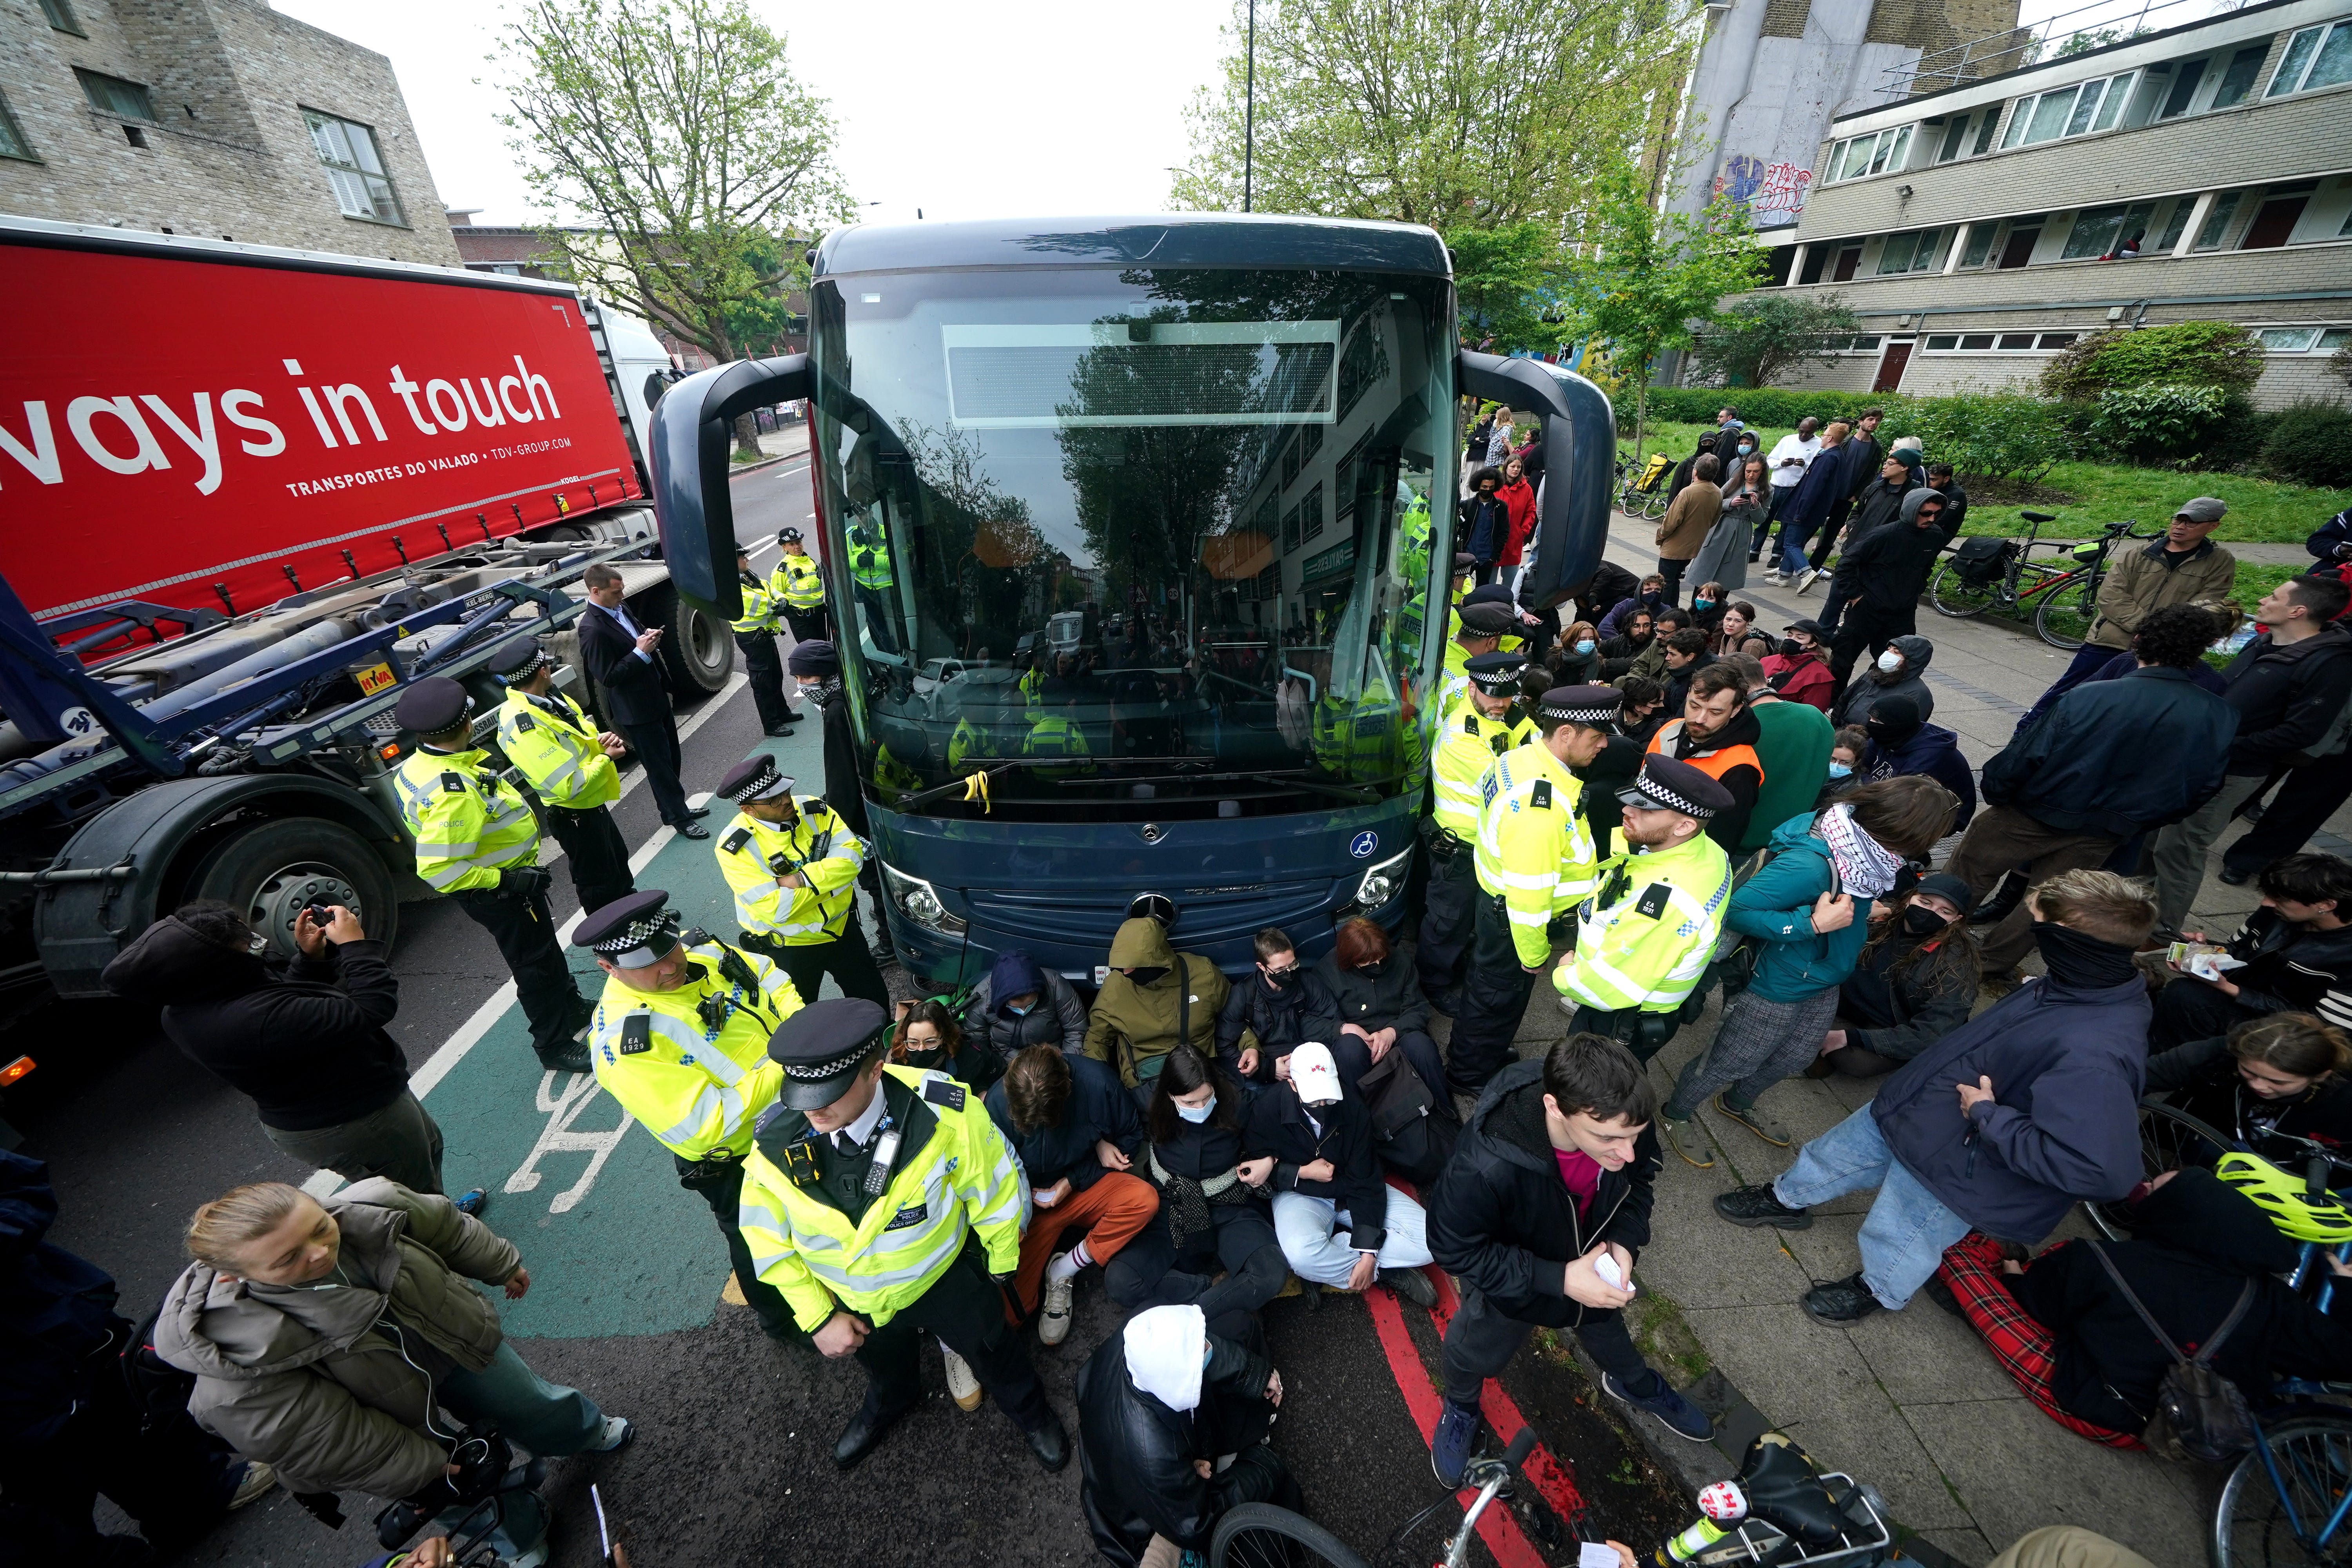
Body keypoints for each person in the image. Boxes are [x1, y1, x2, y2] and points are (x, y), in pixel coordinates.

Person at [1714, 869, 2156, 1324]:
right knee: (1837, 1153)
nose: (2032, 934)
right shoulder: (2073, 984)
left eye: (2040, 925)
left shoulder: (2096, 1050)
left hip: (1961, 1159)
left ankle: (1879, 1289)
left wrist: (1991, 1118)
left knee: (1908, 1229)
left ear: (2071, 940)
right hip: (1917, 1106)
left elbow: (2102, 1170)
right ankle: (1787, 1199)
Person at [155, 1180, 632, 1566]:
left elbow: (445, 1226)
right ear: (230, 1276)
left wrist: (498, 1262)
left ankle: (581, 1432)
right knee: (451, 1482)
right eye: (288, 1260)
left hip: (447, 1340)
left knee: (526, 1400)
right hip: (378, 1408)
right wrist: (419, 1466)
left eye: (320, 1227)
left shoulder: (366, 1206)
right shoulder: (235, 1351)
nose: (320, 1253)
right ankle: (519, 1533)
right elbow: (327, 1434)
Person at [736, 997, 1066, 1469]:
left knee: (996, 1352)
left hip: (946, 1280)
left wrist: (999, 1265)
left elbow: (994, 1188)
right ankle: (891, 1400)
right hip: (857, 1298)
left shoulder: (945, 1114)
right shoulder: (772, 1144)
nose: (813, 1110)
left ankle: (1032, 1413)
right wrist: (817, 1318)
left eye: (829, 1092)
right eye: (803, 1093)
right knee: (883, 1365)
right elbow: (765, 1238)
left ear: (876, 1070)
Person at [1428, 1034, 1712, 1488]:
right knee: (1473, 1348)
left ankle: (1634, 1383)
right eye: (1610, 1140)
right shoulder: (1485, 1167)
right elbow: (1453, 1247)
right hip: (1516, 1289)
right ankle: (1461, 1405)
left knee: (1615, 1343)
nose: (1627, 1153)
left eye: (1634, 1137)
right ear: (1554, 1107)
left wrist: (1623, 1239)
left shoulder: (1623, 1117)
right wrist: (1557, 1277)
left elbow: (1641, 1181)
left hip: (1592, 1271)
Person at [1938, 1167, 2352, 1450]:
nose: (2145, 1187)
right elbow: (2339, 1356)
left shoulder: (2103, 1261)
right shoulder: (2272, 1299)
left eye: (2153, 1189)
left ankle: (1995, 1254)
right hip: (2181, 1426)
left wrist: (2012, 1274)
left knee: (1957, 1255)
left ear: (2171, 1215)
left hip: (2099, 1409)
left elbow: (2029, 1305)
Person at [0, 1150, 275, 1566]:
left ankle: (194, 1504)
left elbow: (20, 1181)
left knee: (136, 1418)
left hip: (60, 1324)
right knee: (41, 1508)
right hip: (11, 1403)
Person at [1659, 776, 1956, 1161]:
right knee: (1730, 1060)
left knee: (1796, 1057)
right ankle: (1675, 1114)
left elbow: (1841, 903)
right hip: (1778, 983)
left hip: (1820, 977)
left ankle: (1736, 1102)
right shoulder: (1813, 863)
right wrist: (1811, 926)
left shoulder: (1863, 853)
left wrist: (1858, 916)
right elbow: (1737, 908)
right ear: (1906, 832)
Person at [102, 900, 472, 1205]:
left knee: (426, 1153)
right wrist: (354, 946)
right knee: (410, 1200)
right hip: (356, 1121)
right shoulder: (246, 1020)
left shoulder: (191, 1006)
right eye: (245, 946)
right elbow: (371, 1007)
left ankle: (445, 1224)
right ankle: (447, 1260)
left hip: (352, 1105)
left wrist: (310, 960)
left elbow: (289, 1010)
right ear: (209, 969)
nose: (255, 945)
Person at [1948, 612, 2236, 980]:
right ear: (2199, 651)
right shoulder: (2219, 713)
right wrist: (2140, 821)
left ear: (2137, 643)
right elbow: (2204, 786)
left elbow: (2028, 755)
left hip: (2030, 812)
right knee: (2048, 901)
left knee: (1970, 870)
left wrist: (1999, 791)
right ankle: (1991, 964)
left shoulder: (2093, 694)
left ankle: (1933, 933)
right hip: (2105, 829)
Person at [572, 890, 802, 1341]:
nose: (670, 966)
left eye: (668, 947)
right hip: (739, 1158)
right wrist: (793, 1061)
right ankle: (782, 1323)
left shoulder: (701, 949)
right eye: (648, 964)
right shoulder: (627, 1043)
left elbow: (768, 975)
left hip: (798, 1110)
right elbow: (705, 1125)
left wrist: (800, 1027)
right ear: (608, 968)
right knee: (758, 1241)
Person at [390, 677, 592, 1073]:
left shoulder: (416, 766)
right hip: (502, 891)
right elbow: (439, 867)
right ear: (468, 723)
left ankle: (570, 1005)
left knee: (543, 949)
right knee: (533, 963)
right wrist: (505, 881)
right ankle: (554, 1044)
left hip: (505, 884)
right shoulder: (454, 792)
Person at [2150, 576, 2352, 938]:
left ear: (2298, 611)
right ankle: (2131, 907)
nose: (2263, 599)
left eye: (2274, 596)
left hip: (2234, 770)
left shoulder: (2329, 664)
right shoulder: (2268, 641)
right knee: (2154, 836)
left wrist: (2225, 744)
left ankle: (2162, 929)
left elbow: (2301, 732)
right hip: (2201, 758)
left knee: (2180, 847)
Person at [1450, 686, 1620, 1094]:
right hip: (1514, 922)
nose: (1603, 745)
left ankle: (1483, 1054)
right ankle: (1469, 1075)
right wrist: (1533, 954)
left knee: (1490, 992)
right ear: (1565, 733)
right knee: (1496, 997)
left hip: (1497, 907)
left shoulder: (1521, 757)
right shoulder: (1538, 809)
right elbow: (1528, 895)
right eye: (1596, 737)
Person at [1075, 1304, 1299, 1568]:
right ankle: (1247, 1451)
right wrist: (1262, 1467)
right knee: (1270, 1533)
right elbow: (1198, 1524)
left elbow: (1193, 1344)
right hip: (1154, 1514)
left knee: (1238, 1327)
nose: (1207, 1348)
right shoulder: (1154, 1456)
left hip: (1152, 1457)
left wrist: (1254, 1375)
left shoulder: (1143, 1339)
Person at [1552, 756, 1736, 1060]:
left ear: (1685, 825)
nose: (1627, 809)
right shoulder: (1708, 850)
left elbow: (1608, 986)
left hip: (1618, 1019)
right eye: (1633, 799)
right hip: (1637, 1006)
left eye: (1645, 808)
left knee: (1584, 1091)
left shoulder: (1668, 905)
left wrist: (1565, 975)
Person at [986, 1044, 1159, 1347]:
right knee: (1009, 1316)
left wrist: (1073, 1179)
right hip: (1030, 1206)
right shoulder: (999, 1100)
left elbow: (1132, 1136)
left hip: (1081, 1188)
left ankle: (1063, 1269)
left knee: (1143, 1200)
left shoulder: (1099, 1084)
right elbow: (992, 1170)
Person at [2017, 499, 2239, 730]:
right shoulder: (2140, 552)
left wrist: (2158, 635)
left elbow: (2202, 607)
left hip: (2162, 651)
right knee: (2068, 691)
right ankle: (2026, 730)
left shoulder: (2219, 561)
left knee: (2124, 710)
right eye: (2178, 520)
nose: (2180, 527)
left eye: (2191, 524)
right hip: (2110, 639)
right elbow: (2110, 594)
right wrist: (2149, 627)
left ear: (2213, 526)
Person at [1105, 1044, 1289, 1321]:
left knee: (1270, 1273)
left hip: (1229, 1203)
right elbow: (1102, 1113)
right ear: (1169, 1095)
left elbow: (1284, 1126)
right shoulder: (1148, 1100)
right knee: (1121, 1280)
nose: (1201, 1108)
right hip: (1171, 1202)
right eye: (1190, 1103)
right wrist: (1100, 1143)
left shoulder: (1236, 1103)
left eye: (1206, 1098)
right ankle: (1212, 1290)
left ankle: (1195, 1315)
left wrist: (1271, 1158)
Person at [1245, 1041, 1437, 1304]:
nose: (1323, 1105)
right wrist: (1300, 1172)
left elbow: (1366, 1178)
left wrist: (1368, 1253)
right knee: (1301, 1255)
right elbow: (1251, 1174)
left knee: (1433, 1241)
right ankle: (1385, 1272)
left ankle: (1338, 1262)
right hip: (1300, 1195)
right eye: (1315, 1098)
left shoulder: (1352, 1108)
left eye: (1328, 1096)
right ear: (1292, 1085)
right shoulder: (1267, 1109)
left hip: (1349, 1190)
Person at [711, 753, 890, 1007]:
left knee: (875, 1004)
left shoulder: (814, 810)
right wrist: (831, 879)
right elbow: (776, 909)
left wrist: (800, 879)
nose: (786, 801)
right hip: (791, 947)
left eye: (785, 791)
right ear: (748, 809)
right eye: (773, 800)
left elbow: (852, 859)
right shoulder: (736, 848)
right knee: (801, 1024)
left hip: (842, 930)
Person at [488, 635, 635, 919]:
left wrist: (598, 739)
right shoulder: (523, 725)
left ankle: (634, 913)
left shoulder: (549, 697)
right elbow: (567, 786)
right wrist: (606, 758)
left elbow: (576, 735)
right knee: (597, 882)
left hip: (592, 803)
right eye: (547, 664)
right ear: (542, 671)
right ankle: (609, 937)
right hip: (574, 813)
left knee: (617, 863)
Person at [1422, 650, 1537, 1007]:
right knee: (1447, 921)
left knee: (1467, 918)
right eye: (1493, 694)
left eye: (1508, 694)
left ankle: (1455, 966)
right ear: (1472, 687)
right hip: (1459, 847)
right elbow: (1512, 782)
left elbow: (1541, 747)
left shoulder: (1505, 713)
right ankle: (1433, 986)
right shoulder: (1461, 735)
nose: (1502, 703)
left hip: (1486, 844)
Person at [2150, 853, 2352, 1050]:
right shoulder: (2277, 914)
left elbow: (2326, 1027)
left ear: (2325, 905)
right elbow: (2238, 949)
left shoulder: (2345, 955)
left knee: (2185, 997)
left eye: (2279, 899)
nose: (2266, 903)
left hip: (2287, 1030)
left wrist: (2229, 989)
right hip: (2248, 999)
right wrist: (2205, 950)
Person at [1807, 873, 1981, 1080]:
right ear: (1910, 898)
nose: (1930, 913)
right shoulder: (1880, 919)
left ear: (1956, 919)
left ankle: (1826, 1039)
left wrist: (1852, 1037)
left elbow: (1933, 1032)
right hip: (1845, 999)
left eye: (1944, 911)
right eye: (1925, 902)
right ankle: (1822, 1039)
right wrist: (1859, 916)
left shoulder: (1957, 965)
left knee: (1856, 1063)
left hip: (1890, 1023)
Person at [577, 561, 703, 837]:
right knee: (659, 767)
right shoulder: (592, 629)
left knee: (672, 757)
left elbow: (633, 637)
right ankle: (679, 819)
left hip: (655, 697)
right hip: (636, 711)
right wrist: (640, 653)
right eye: (616, 593)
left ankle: (674, 809)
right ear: (596, 591)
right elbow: (608, 676)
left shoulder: (620, 609)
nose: (621, 597)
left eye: (621, 591)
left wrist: (647, 636)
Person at [789, 639, 897, 964]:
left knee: (875, 880)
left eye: (803, 678)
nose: (800, 686)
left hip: (862, 812)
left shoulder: (836, 712)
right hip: (886, 795)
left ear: (821, 675)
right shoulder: (859, 690)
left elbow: (841, 773)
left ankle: (890, 941)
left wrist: (837, 820)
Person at [2148, 1011, 2352, 1162]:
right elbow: (2152, 1072)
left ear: (2320, 1076)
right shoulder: (2224, 1051)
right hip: (2208, 1147)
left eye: (2278, 1082)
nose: (2258, 1085)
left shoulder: (2345, 1102)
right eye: (2248, 1072)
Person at [1085, 915, 1237, 1106]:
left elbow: (1233, 1014)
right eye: (1122, 966)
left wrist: (1250, 1046)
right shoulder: (1116, 986)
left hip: (1201, 1076)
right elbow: (1097, 1038)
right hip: (1146, 1084)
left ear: (1158, 960)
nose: (1126, 972)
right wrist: (1092, 1083)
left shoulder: (1203, 974)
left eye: (1133, 966)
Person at [1825, 487, 1948, 697]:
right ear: (1912, 510)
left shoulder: (1935, 536)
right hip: (1868, 609)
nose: (1932, 518)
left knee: (1895, 665)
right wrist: (1856, 595)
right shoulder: (1884, 535)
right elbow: (1846, 563)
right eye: (1926, 513)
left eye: (1937, 514)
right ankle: (1832, 703)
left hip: (1902, 613)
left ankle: (1872, 702)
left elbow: (1926, 567)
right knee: (1843, 659)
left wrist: (1916, 591)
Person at [1314, 915, 1448, 1103]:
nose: (1378, 967)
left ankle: (1443, 1110)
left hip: (1397, 1032)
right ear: (1350, 961)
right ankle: (1362, 1114)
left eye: (1381, 960)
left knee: (1422, 1046)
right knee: (1349, 1051)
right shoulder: (1326, 972)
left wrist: (1393, 1032)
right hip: (1357, 1040)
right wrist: (1345, 1029)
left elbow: (1418, 1008)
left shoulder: (1400, 960)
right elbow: (1313, 1022)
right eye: (1369, 964)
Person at [1724, 652, 1836, 858]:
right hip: (1789, 845)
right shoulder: (1818, 719)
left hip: (1734, 847)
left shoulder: (1736, 729)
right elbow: (1823, 778)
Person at [1646, 663, 1766, 852]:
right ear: (1687, 695)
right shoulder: (1669, 730)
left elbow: (1721, 842)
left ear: (1735, 710)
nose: (1700, 719)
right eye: (1694, 706)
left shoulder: (1740, 769)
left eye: (1715, 712)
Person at [1216, 926, 1337, 1083]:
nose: (1289, 973)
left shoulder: (1307, 983)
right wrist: (1269, 1069)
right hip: (1263, 1066)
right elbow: (1224, 1043)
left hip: (1309, 1060)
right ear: (1262, 967)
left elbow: (1331, 1018)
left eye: (1293, 965)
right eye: (1280, 970)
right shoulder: (1244, 994)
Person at [1859, 696, 1977, 830]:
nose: (1870, 724)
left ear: (1896, 726)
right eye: (1871, 719)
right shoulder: (1887, 735)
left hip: (1937, 816)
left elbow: (1896, 798)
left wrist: (1864, 781)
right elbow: (1860, 766)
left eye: (1877, 721)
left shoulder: (1928, 757)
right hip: (1892, 798)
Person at [726, 543, 802, 740]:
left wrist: (781, 597)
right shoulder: (732, 586)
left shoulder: (747, 576)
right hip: (753, 639)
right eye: (743, 557)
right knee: (762, 684)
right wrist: (780, 604)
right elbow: (760, 603)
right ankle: (771, 724)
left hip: (765, 635)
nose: (747, 559)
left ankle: (782, 712)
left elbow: (769, 587)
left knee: (775, 676)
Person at [963, 949, 1089, 1066]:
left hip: (1054, 1059)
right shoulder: (981, 1000)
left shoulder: (1055, 986)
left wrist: (1065, 1065)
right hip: (1005, 1063)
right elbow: (978, 1044)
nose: (1023, 1011)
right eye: (1016, 1007)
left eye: (1030, 1005)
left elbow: (1076, 1031)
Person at [1775, 420, 1850, 587]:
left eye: (1824, 435)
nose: (1821, 438)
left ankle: (1806, 572)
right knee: (1796, 541)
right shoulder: (1838, 456)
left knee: (1791, 543)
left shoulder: (1827, 459)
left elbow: (1812, 488)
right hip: (1818, 511)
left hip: (1806, 510)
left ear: (1830, 438)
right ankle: (1783, 575)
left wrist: (1800, 511)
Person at [1655, 454, 1722, 607]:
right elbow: (1714, 519)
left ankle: (1666, 613)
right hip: (1693, 547)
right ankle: (1674, 610)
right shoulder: (1717, 492)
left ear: (1695, 472)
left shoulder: (1688, 492)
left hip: (1675, 546)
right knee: (1674, 579)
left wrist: (1660, 536)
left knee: (1666, 582)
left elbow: (1671, 522)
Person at [891, 996, 1000, 1092]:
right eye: (913, 1042)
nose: (921, 1049)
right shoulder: (899, 1055)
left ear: (945, 1037)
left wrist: (981, 1093)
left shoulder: (970, 1058)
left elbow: (986, 1080)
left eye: (930, 1042)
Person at [1759, 418, 1822, 579]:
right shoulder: (1787, 440)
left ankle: (1777, 554)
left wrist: (1805, 464)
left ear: (1815, 431)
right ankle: (1755, 549)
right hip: (1777, 485)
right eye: (1802, 431)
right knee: (1764, 519)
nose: (1804, 435)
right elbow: (1770, 461)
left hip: (1796, 489)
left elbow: (1817, 468)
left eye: (1808, 433)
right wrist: (1782, 463)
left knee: (1786, 525)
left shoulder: (1819, 444)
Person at [1833, 633, 1936, 730]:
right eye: (1889, 649)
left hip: (1868, 746)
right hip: (1842, 735)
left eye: (1896, 652)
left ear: (1912, 662)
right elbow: (1843, 702)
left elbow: (1902, 733)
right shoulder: (1872, 675)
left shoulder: (1918, 694)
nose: (1888, 654)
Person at [1694, 456, 1768, 591]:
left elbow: (1761, 519)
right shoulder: (1733, 482)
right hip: (1721, 528)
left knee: (1727, 578)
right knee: (1704, 573)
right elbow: (1713, 502)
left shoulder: (1767, 491)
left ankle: (1719, 609)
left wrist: (1756, 506)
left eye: (1756, 472)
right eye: (1748, 471)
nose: (1751, 475)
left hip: (1741, 533)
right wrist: (1730, 503)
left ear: (1763, 472)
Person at [768, 525, 828, 642]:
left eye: (798, 542)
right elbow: (775, 590)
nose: (797, 547)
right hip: (800, 619)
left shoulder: (810, 561)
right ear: (784, 547)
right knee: (811, 653)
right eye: (792, 544)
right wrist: (782, 601)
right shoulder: (783, 568)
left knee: (825, 649)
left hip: (819, 615)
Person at [1762, 618, 1835, 713]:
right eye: (1789, 635)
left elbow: (1812, 714)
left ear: (1812, 644)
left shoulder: (1819, 677)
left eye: (1799, 638)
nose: (1791, 640)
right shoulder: (1767, 661)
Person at [1460, 467, 1510, 582]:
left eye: (1491, 487)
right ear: (1478, 486)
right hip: (1468, 556)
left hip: (1487, 558)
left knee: (1482, 592)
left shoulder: (1501, 507)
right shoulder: (1467, 506)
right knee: (1459, 589)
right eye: (1484, 487)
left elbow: (1504, 533)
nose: (1488, 490)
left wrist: (1494, 556)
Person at [1657, 626, 1713, 715]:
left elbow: (1681, 719)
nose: (1667, 658)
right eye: (1668, 653)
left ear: (1690, 657)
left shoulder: (1702, 683)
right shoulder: (1680, 672)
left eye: (1673, 654)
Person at [1820, 725, 1867, 805]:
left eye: (1845, 762)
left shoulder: (1853, 793)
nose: (1836, 765)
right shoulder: (1812, 771)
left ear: (1856, 763)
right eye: (1832, 759)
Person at [1550, 621, 1606, 686]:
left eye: (1591, 639)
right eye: (1583, 639)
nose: (1588, 642)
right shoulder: (1556, 661)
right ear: (1572, 642)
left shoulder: (1598, 661)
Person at [1924, 462, 1969, 535]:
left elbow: (1943, 519)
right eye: (1929, 479)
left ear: (1946, 479)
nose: (1930, 483)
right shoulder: (1934, 488)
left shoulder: (1957, 494)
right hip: (1927, 525)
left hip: (1943, 532)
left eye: (1934, 480)